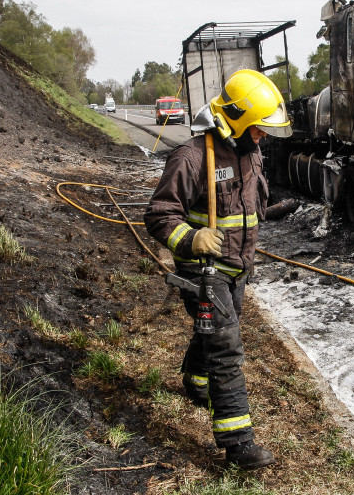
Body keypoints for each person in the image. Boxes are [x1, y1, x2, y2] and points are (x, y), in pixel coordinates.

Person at [144, 69, 293, 469]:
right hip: (203, 270)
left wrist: (274, 213)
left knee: (212, 331)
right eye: (259, 129)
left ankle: (195, 382)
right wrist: (191, 239)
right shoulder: (192, 157)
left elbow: (246, 207)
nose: (263, 137)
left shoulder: (250, 153)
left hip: (237, 267)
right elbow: (159, 215)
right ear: (238, 121)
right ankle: (238, 444)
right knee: (226, 347)